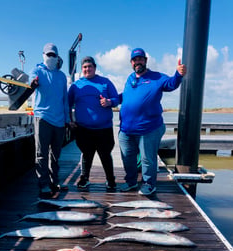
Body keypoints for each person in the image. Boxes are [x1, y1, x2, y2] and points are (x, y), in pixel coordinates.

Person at [119, 47, 187, 195]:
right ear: (131, 62)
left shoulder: (156, 77)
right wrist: (111, 100)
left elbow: (171, 84)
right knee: (127, 159)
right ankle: (130, 182)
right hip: (126, 130)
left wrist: (178, 75)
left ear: (145, 60)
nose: (138, 62)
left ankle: (149, 184)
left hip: (148, 129)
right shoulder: (130, 78)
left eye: (140, 59)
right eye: (135, 59)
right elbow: (124, 96)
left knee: (147, 159)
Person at [68, 56, 119, 191]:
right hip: (84, 128)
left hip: (104, 128)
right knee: (86, 154)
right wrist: (70, 120)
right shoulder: (75, 86)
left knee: (105, 154)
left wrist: (109, 102)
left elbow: (116, 99)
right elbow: (67, 104)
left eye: (90, 66)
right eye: (84, 67)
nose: (87, 69)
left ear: (95, 68)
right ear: (82, 69)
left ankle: (110, 180)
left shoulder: (105, 82)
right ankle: (84, 179)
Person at [30, 43, 70, 199]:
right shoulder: (37, 70)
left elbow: (65, 100)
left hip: (59, 121)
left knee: (56, 155)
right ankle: (44, 184)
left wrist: (67, 118)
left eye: (53, 55)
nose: (51, 58)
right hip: (43, 118)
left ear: (57, 57)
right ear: (43, 55)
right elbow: (30, 80)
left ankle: (55, 181)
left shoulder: (61, 76)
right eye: (48, 55)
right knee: (41, 154)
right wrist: (32, 83)